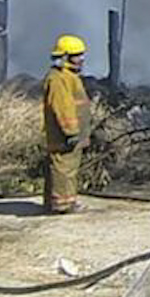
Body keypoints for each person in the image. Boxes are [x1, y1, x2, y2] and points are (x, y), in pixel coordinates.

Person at [41, 34, 92, 214]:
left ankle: (57, 202)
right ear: (64, 56)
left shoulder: (69, 76)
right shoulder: (58, 78)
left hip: (70, 133)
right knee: (64, 169)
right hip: (64, 134)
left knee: (64, 168)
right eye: (77, 55)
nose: (81, 59)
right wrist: (70, 131)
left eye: (81, 55)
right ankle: (63, 204)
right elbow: (62, 107)